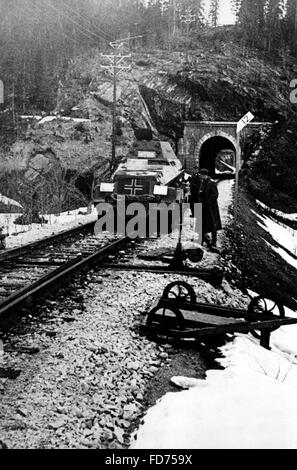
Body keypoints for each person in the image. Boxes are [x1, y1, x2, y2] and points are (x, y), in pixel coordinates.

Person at [198, 168, 222, 248]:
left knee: (213, 225)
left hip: (211, 208)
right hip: (204, 207)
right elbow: (201, 193)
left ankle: (214, 242)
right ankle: (203, 240)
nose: (200, 177)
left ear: (204, 175)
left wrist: (208, 201)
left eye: (201, 175)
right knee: (203, 223)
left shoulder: (211, 183)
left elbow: (215, 195)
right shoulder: (203, 183)